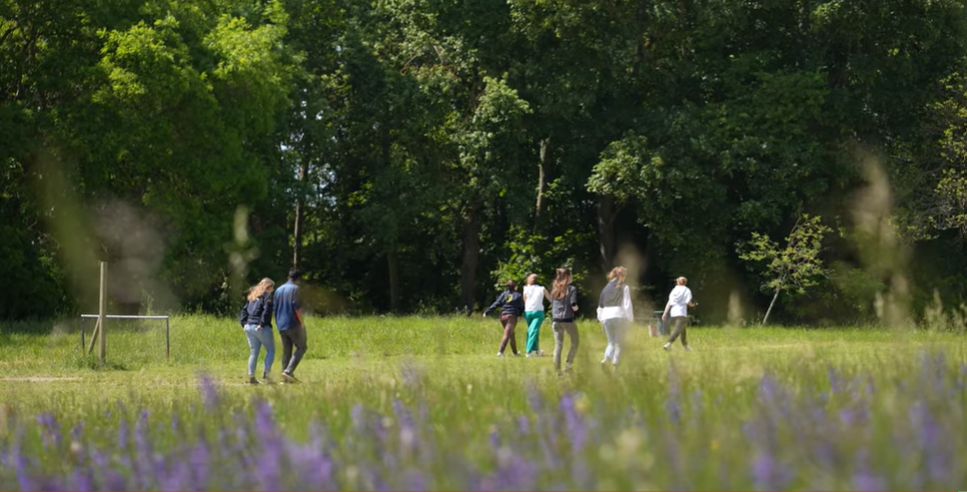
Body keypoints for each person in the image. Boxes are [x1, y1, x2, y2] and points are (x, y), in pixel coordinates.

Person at [238, 278, 275, 384]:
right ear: (268, 287)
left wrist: (244, 323)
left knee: (254, 352)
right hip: (260, 326)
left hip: (249, 326)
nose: (272, 290)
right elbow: (267, 310)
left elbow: (244, 310)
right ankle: (267, 374)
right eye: (272, 287)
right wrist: (263, 323)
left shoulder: (253, 295)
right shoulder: (267, 295)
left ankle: (251, 376)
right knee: (270, 350)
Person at [596, 266, 634, 371]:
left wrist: (601, 318)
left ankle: (606, 359)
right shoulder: (624, 287)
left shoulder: (605, 288)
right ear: (622, 276)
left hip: (606, 316)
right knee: (620, 344)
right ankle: (616, 367)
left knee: (611, 342)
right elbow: (627, 305)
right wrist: (630, 319)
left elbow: (600, 306)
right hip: (618, 316)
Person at [274, 269, 307, 383]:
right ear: (297, 279)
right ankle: (288, 371)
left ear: (288, 277)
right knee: (301, 347)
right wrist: (302, 322)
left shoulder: (278, 289)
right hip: (293, 323)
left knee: (286, 350)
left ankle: (285, 376)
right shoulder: (296, 289)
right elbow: (296, 307)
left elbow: (275, 307)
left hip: (281, 324)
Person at [483, 280, 525, 357]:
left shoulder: (504, 294)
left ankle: (515, 352)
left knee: (511, 334)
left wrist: (487, 312)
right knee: (507, 334)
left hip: (503, 316)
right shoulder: (518, 295)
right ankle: (500, 352)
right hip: (511, 316)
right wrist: (521, 313)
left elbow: (496, 304)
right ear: (515, 286)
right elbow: (521, 307)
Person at [549, 268, 579, 375]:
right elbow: (573, 304)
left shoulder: (554, 289)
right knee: (575, 342)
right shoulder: (571, 289)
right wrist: (576, 309)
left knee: (558, 345)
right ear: (567, 276)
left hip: (556, 320)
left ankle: (557, 371)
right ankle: (568, 366)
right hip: (567, 320)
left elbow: (552, 303)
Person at [662, 276, 695, 351]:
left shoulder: (674, 290)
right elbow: (688, 302)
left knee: (682, 329)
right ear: (685, 282)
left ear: (678, 282)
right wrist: (692, 305)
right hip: (681, 312)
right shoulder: (687, 290)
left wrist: (665, 313)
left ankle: (685, 346)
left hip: (673, 312)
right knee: (678, 329)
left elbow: (669, 302)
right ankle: (668, 343)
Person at [522, 273, 551, 357]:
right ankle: (530, 351)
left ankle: (532, 350)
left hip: (528, 311)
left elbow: (525, 300)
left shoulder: (525, 288)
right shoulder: (542, 288)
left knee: (532, 330)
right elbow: (549, 298)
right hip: (538, 311)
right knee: (534, 331)